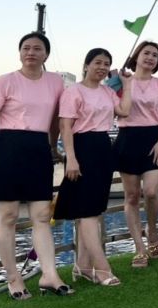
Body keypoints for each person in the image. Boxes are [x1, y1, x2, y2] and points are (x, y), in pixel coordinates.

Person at [0, 32, 73, 299]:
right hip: (8, 148)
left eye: (37, 48)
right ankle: (13, 277)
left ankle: (49, 274)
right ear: (19, 53)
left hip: (39, 150)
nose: (31, 52)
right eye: (26, 48)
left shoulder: (56, 82)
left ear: (46, 54)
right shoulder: (5, 81)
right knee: (8, 216)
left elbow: (55, 120)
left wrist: (53, 148)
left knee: (41, 216)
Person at [56, 47, 133, 287]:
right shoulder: (73, 91)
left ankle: (82, 266)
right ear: (87, 65)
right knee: (87, 212)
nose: (102, 67)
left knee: (93, 210)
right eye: (98, 62)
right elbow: (65, 127)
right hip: (81, 148)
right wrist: (71, 158)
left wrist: (128, 85)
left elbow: (124, 111)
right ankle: (102, 268)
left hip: (102, 147)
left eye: (106, 64)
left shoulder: (108, 91)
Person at [112, 40, 158, 269]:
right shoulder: (121, 81)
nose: (150, 58)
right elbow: (110, 106)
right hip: (128, 138)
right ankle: (139, 248)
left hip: (154, 138)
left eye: (154, 55)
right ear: (136, 56)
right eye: (146, 53)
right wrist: (117, 82)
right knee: (131, 196)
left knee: (150, 191)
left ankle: (152, 229)